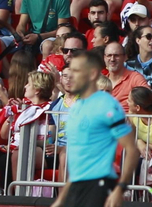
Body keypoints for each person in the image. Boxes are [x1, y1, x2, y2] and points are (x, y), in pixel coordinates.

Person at [50, 49, 141, 207]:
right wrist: (60, 200)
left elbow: (132, 150)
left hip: (100, 185)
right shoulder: (77, 108)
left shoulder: (107, 105)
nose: (71, 76)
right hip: (78, 187)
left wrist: (120, 189)